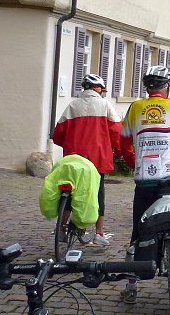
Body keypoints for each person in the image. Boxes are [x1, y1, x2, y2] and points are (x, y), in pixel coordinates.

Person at [119, 65, 170, 303]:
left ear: (147, 87)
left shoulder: (134, 109)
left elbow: (123, 143)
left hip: (145, 180)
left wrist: (134, 161)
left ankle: (131, 286)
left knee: (138, 230)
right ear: (167, 87)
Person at [52, 73, 121, 246]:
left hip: (74, 160)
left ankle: (61, 226)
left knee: (71, 191)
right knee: (98, 195)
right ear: (97, 89)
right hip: (97, 159)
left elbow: (58, 135)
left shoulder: (72, 106)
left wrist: (69, 145)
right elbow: (117, 132)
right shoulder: (105, 105)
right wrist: (115, 148)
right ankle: (99, 233)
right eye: (102, 89)